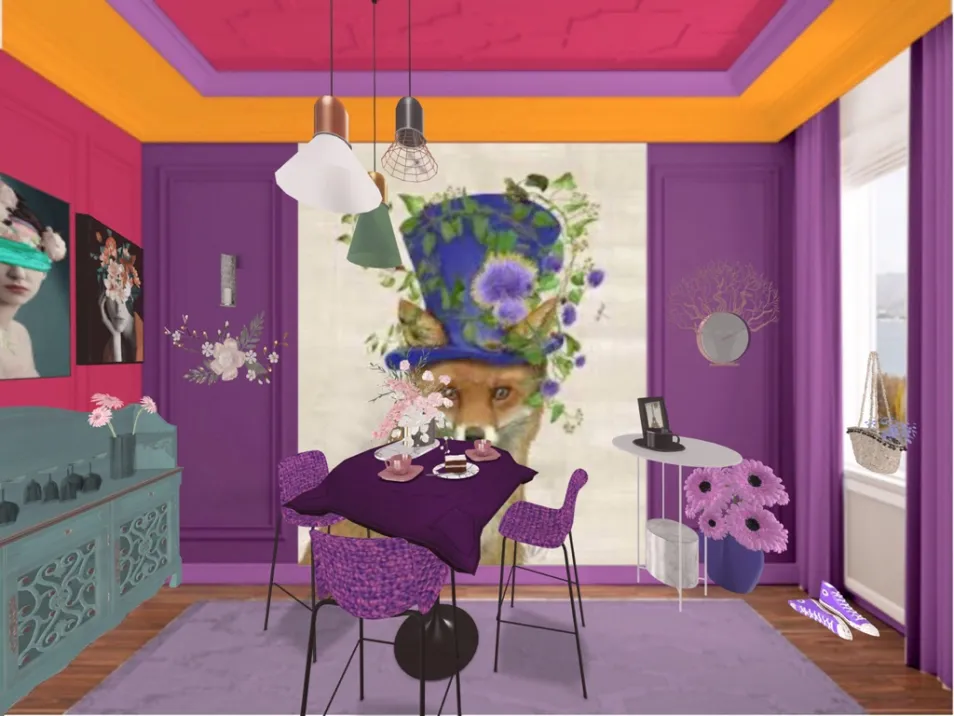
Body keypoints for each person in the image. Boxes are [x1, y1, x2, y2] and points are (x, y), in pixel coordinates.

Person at [0, 181, 67, 379]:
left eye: (31, 260)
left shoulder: (20, 335)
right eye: (4, 256)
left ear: (44, 271)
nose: (18, 273)